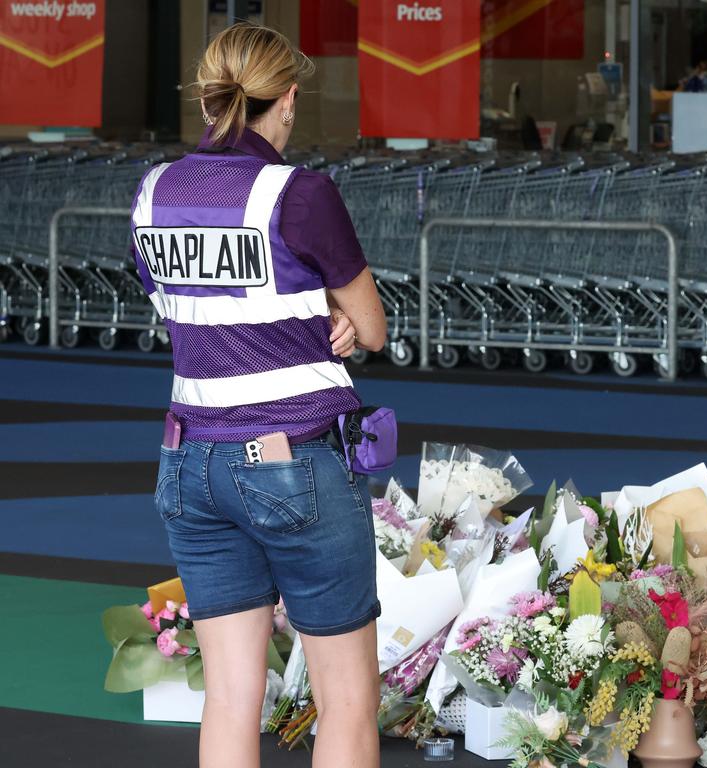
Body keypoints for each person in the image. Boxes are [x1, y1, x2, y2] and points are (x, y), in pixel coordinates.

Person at [129, 22, 387, 768]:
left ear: (208, 98)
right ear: (290, 99)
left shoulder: (153, 191)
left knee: (231, 697)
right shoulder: (298, 193)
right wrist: (329, 315)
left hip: (188, 463)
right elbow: (369, 326)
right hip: (292, 460)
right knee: (346, 702)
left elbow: (190, 309)